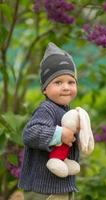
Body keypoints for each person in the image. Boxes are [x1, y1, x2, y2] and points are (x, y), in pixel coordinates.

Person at [18, 42, 79, 200]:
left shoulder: (67, 111)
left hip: (61, 184)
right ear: (45, 88)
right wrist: (59, 134)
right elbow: (30, 134)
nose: (66, 87)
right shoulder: (46, 109)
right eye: (58, 82)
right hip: (43, 188)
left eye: (70, 82)